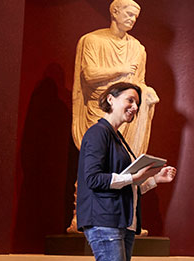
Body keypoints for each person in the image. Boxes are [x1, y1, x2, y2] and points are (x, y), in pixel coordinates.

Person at [77, 82, 176, 261]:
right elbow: (93, 179)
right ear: (111, 98)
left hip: (122, 223)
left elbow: (127, 187)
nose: (134, 107)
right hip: (104, 221)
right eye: (130, 100)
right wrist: (134, 177)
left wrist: (154, 180)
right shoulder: (98, 133)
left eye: (137, 103)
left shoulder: (119, 139)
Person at [70, 0, 160, 233]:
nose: (132, 19)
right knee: (95, 164)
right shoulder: (92, 41)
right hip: (99, 109)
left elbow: (137, 84)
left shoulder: (138, 49)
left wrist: (145, 94)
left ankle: (127, 220)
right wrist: (121, 71)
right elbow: (89, 75)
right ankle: (81, 216)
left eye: (136, 16)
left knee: (127, 163)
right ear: (115, 12)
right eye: (128, 13)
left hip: (127, 114)